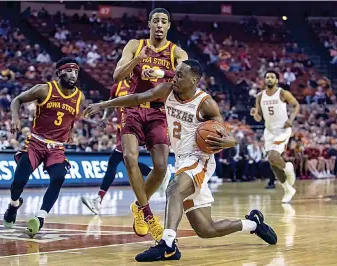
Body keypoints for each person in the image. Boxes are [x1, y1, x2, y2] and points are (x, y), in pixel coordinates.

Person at [85, 60, 277, 262]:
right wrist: (105, 103)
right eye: (175, 74)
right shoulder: (167, 90)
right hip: (181, 161)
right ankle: (253, 224)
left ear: (193, 79)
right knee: (206, 229)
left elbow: (226, 135)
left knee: (173, 188)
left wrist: (228, 141)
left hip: (199, 159)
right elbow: (138, 97)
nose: (174, 78)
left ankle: (167, 245)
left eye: (180, 75)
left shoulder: (205, 103)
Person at [111, 7, 188, 241]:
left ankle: (137, 205)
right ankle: (147, 214)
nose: (159, 24)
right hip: (133, 108)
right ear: (149, 24)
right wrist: (138, 59)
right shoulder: (135, 44)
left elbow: (187, 74)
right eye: (156, 20)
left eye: (164, 21)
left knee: (162, 167)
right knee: (129, 159)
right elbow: (117, 76)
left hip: (158, 112)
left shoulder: (176, 51)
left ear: (168, 26)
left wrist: (162, 71)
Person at [2, 57, 85, 238]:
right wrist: (15, 118)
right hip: (36, 143)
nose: (73, 75)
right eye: (69, 71)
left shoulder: (80, 96)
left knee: (59, 177)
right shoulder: (44, 89)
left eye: (76, 71)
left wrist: (70, 132)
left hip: (56, 148)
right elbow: (17, 100)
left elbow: (70, 117)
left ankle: (40, 217)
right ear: (60, 73)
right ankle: (14, 204)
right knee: (19, 182)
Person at [81, 80, 171, 214]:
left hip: (137, 124)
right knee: (125, 161)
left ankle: (98, 199)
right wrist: (105, 118)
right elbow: (113, 102)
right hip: (123, 127)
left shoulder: (143, 83)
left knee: (114, 161)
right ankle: (158, 173)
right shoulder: (117, 87)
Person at [250, 70, 300, 203]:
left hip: (283, 130)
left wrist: (291, 119)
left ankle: (288, 168)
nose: (269, 79)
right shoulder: (260, 96)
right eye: (267, 77)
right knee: (272, 163)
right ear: (265, 80)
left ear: (277, 80)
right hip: (269, 130)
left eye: (272, 77)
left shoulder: (282, 93)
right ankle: (288, 189)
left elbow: (296, 105)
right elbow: (259, 117)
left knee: (273, 156)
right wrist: (255, 114)